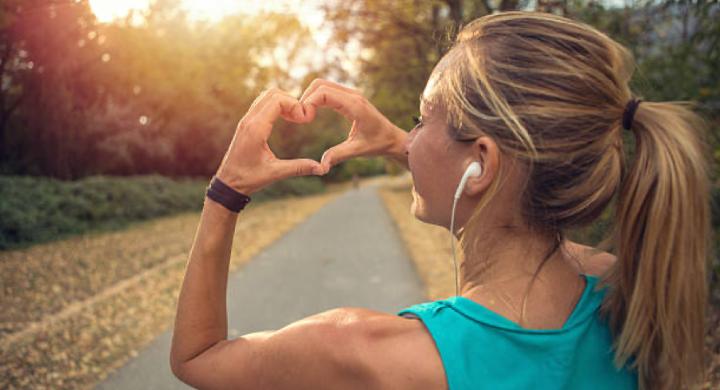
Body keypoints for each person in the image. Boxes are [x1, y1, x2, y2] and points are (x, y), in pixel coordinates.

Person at [169, 11, 711, 390]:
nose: (411, 135)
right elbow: (501, 190)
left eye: (422, 119)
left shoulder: (365, 353)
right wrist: (403, 145)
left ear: (479, 164)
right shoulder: (628, 292)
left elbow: (198, 359)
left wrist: (226, 190)